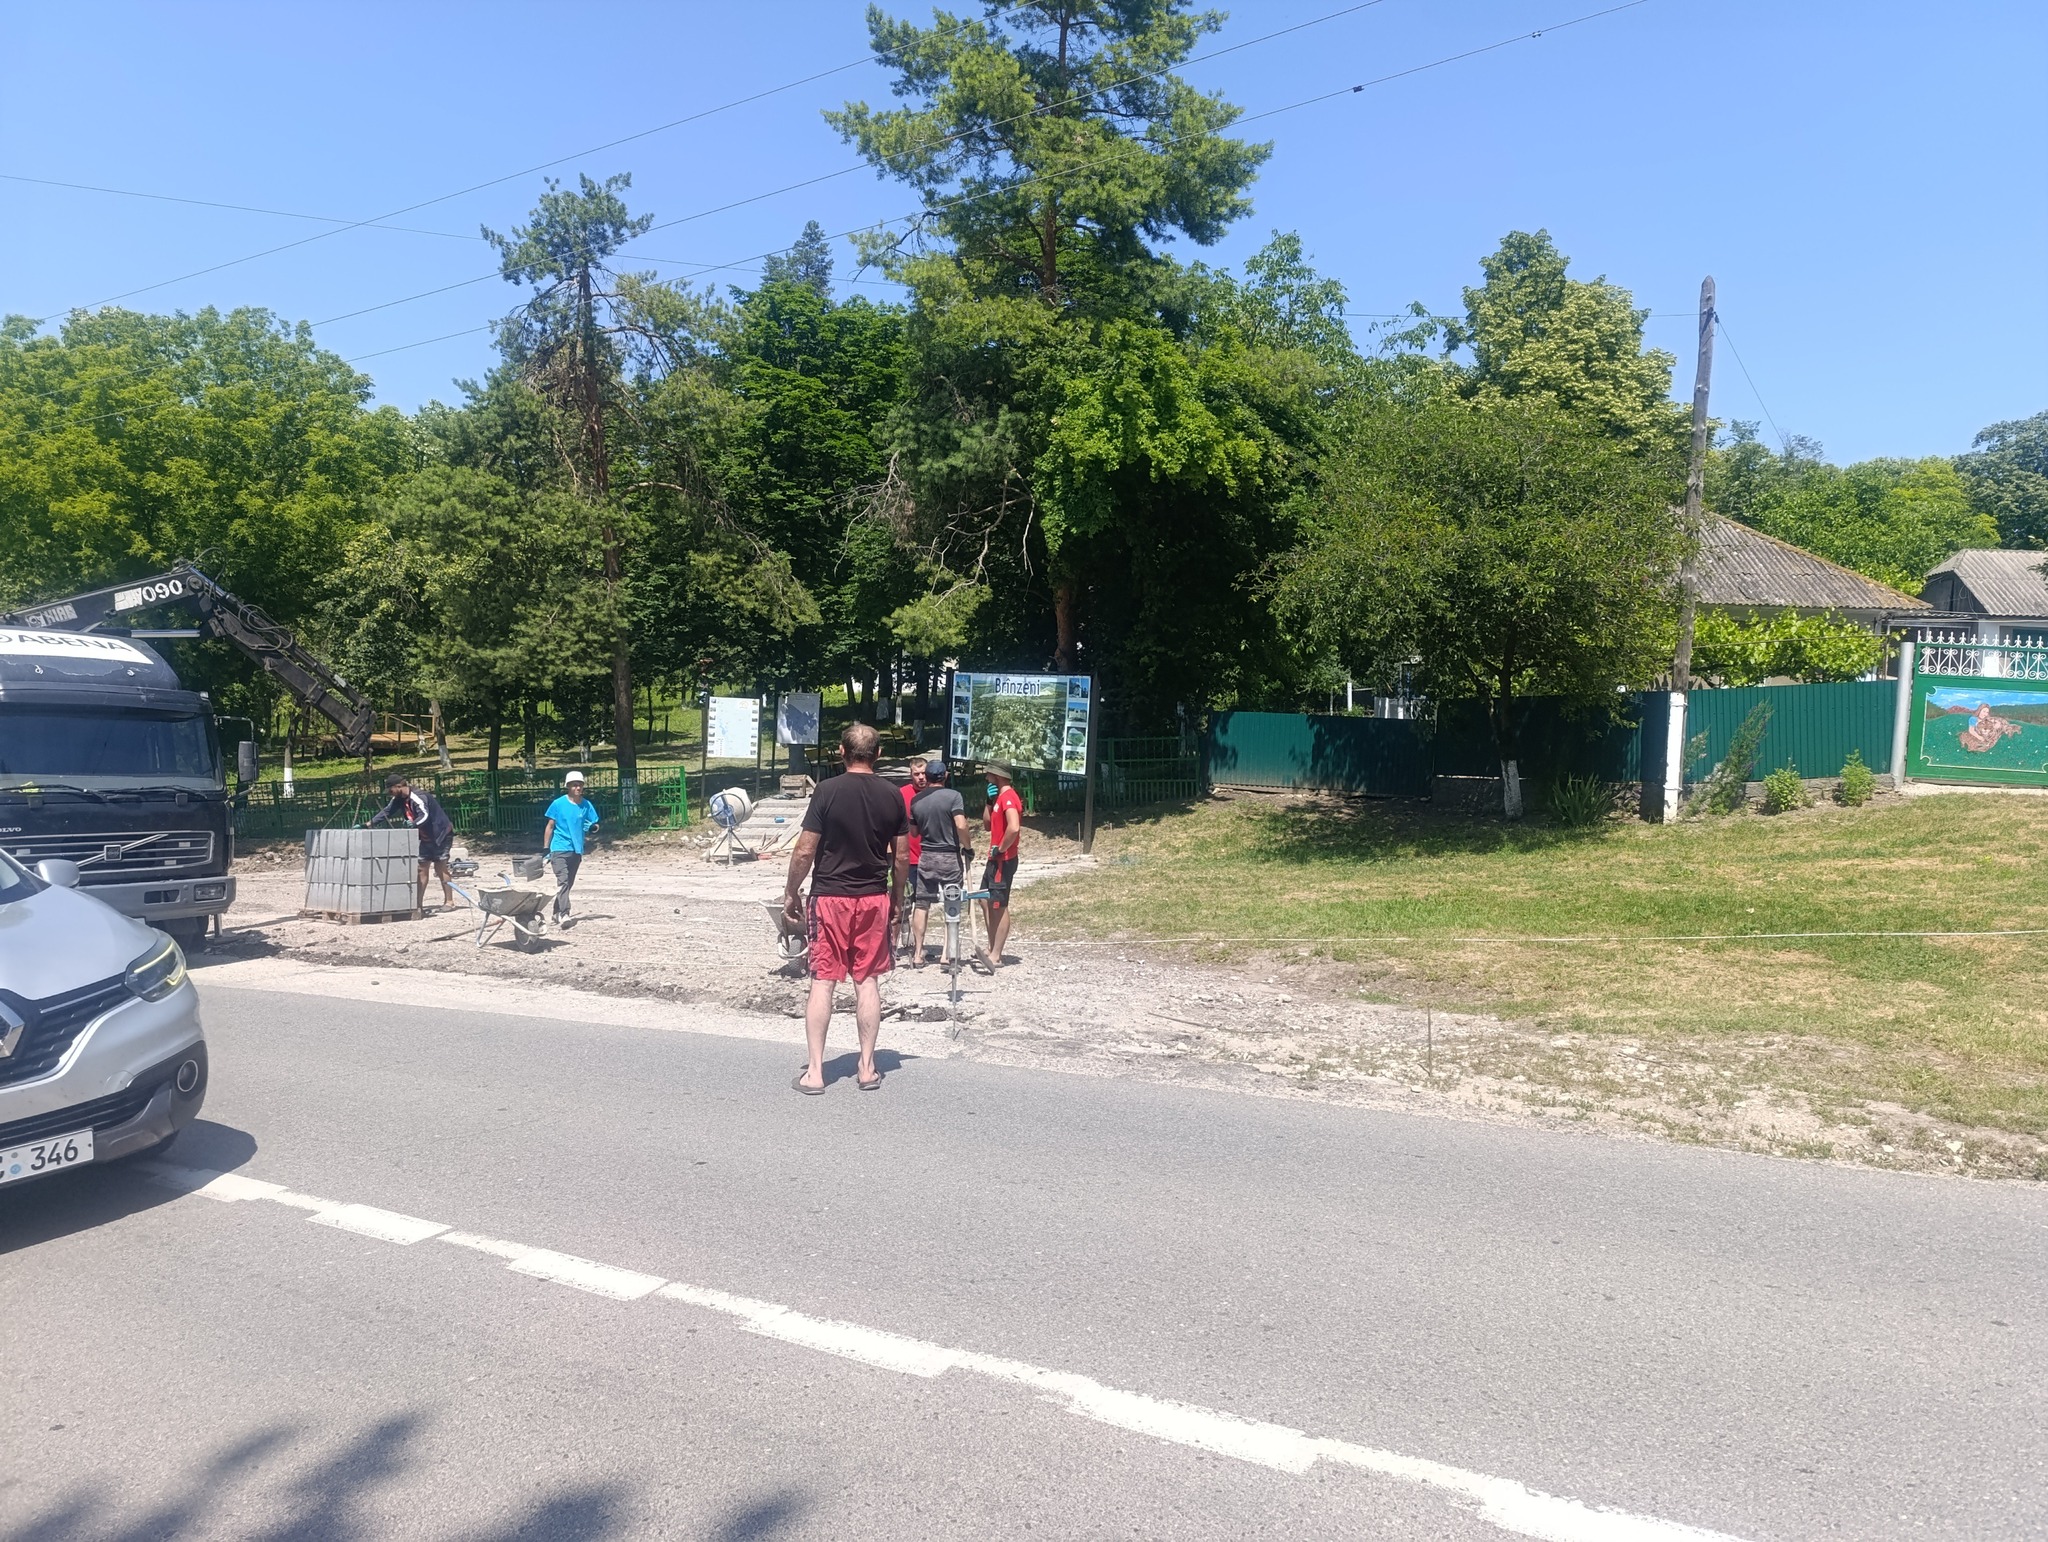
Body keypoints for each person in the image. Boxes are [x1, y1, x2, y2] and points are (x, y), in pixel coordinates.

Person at [782, 722, 910, 1094]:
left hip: (830, 898)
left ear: (841, 751)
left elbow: (805, 849)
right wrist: (898, 899)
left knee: (823, 981)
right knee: (866, 980)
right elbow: (902, 856)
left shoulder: (826, 790)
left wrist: (791, 891)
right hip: (873, 897)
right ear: (878, 754)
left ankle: (815, 1072)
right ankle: (867, 1068)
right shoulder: (893, 795)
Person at [908, 759, 972, 967]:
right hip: (949, 856)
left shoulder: (916, 801)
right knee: (951, 901)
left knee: (921, 903)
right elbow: (961, 825)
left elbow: (914, 832)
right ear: (945, 776)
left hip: (927, 856)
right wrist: (968, 846)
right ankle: (947, 954)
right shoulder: (953, 796)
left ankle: (918, 953)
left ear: (926, 776)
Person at [366, 773, 454, 910]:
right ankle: (418, 905)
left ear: (399, 786)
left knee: (440, 866)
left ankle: (449, 902)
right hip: (425, 836)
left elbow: (424, 815)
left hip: (440, 834)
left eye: (391, 790)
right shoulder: (399, 799)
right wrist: (368, 824)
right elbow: (387, 811)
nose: (390, 793)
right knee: (421, 868)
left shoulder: (418, 797)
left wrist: (413, 824)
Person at [976, 761, 1024, 973]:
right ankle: (991, 945)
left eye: (989, 773)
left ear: (997, 775)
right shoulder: (999, 798)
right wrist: (989, 801)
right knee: (984, 899)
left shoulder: (1009, 798)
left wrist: (1001, 848)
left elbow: (1014, 827)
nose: (986, 776)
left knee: (999, 904)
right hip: (994, 859)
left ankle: (996, 954)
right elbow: (987, 825)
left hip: (1003, 859)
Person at [541, 770, 601, 926]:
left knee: (568, 884)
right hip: (559, 848)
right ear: (568, 786)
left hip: (576, 849)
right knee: (563, 882)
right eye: (574, 785)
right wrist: (546, 849)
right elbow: (550, 826)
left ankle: (556, 913)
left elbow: (593, 823)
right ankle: (564, 914)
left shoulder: (586, 805)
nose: (578, 788)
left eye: (580, 785)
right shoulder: (558, 804)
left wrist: (593, 828)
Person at [897, 758, 927, 953]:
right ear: (911, 775)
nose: (921, 778)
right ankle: (901, 937)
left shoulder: (933, 793)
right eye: (917, 774)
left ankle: (918, 946)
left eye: (924, 773)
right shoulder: (902, 794)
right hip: (908, 857)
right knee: (904, 901)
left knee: (923, 903)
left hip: (928, 857)